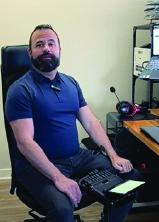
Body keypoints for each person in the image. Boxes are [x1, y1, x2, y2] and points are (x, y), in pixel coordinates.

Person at [5, 24, 140, 222]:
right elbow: (25, 143)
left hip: (77, 157)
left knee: (131, 178)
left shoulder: (71, 83)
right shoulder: (21, 90)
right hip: (38, 164)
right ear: (30, 52)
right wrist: (58, 177)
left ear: (59, 49)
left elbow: (91, 123)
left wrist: (113, 155)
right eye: (39, 44)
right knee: (62, 209)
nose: (46, 48)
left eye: (51, 43)